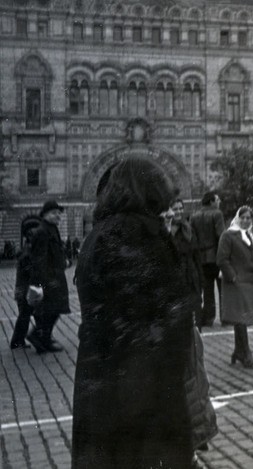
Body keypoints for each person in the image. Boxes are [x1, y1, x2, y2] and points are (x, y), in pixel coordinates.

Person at [72, 157, 198, 468]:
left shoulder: (98, 234)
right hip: (144, 387)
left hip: (102, 378)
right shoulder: (141, 233)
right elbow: (163, 314)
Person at [167, 198, 218, 466]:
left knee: (194, 372)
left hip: (189, 292)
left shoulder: (188, 230)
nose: (176, 212)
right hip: (172, 303)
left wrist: (197, 289)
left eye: (178, 208)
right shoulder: (164, 235)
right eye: (172, 209)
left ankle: (195, 442)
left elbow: (196, 260)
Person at [217, 206, 253, 368]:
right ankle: (246, 352)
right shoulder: (228, 235)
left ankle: (238, 350)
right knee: (241, 317)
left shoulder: (250, 235)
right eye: (243, 217)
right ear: (237, 218)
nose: (245, 220)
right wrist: (232, 276)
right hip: (236, 282)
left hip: (249, 281)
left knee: (241, 317)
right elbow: (221, 259)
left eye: (249, 218)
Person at [26, 200, 70, 353]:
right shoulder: (43, 231)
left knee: (53, 309)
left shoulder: (51, 228)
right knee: (52, 309)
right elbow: (40, 259)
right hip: (50, 279)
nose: (58, 216)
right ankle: (39, 337)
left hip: (55, 275)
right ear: (45, 215)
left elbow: (53, 252)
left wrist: (63, 260)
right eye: (54, 213)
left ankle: (44, 337)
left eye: (59, 213)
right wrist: (47, 281)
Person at [191, 191, 226, 329]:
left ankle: (208, 318)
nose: (219, 202)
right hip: (217, 256)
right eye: (217, 199)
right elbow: (221, 236)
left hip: (201, 257)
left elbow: (192, 237)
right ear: (211, 201)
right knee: (223, 288)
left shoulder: (194, 216)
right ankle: (226, 317)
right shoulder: (217, 214)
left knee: (207, 290)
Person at [10, 215, 43, 350]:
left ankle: (19, 341)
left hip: (25, 289)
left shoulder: (28, 249)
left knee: (25, 315)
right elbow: (31, 271)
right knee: (30, 315)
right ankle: (22, 341)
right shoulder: (28, 251)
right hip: (26, 290)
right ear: (29, 234)